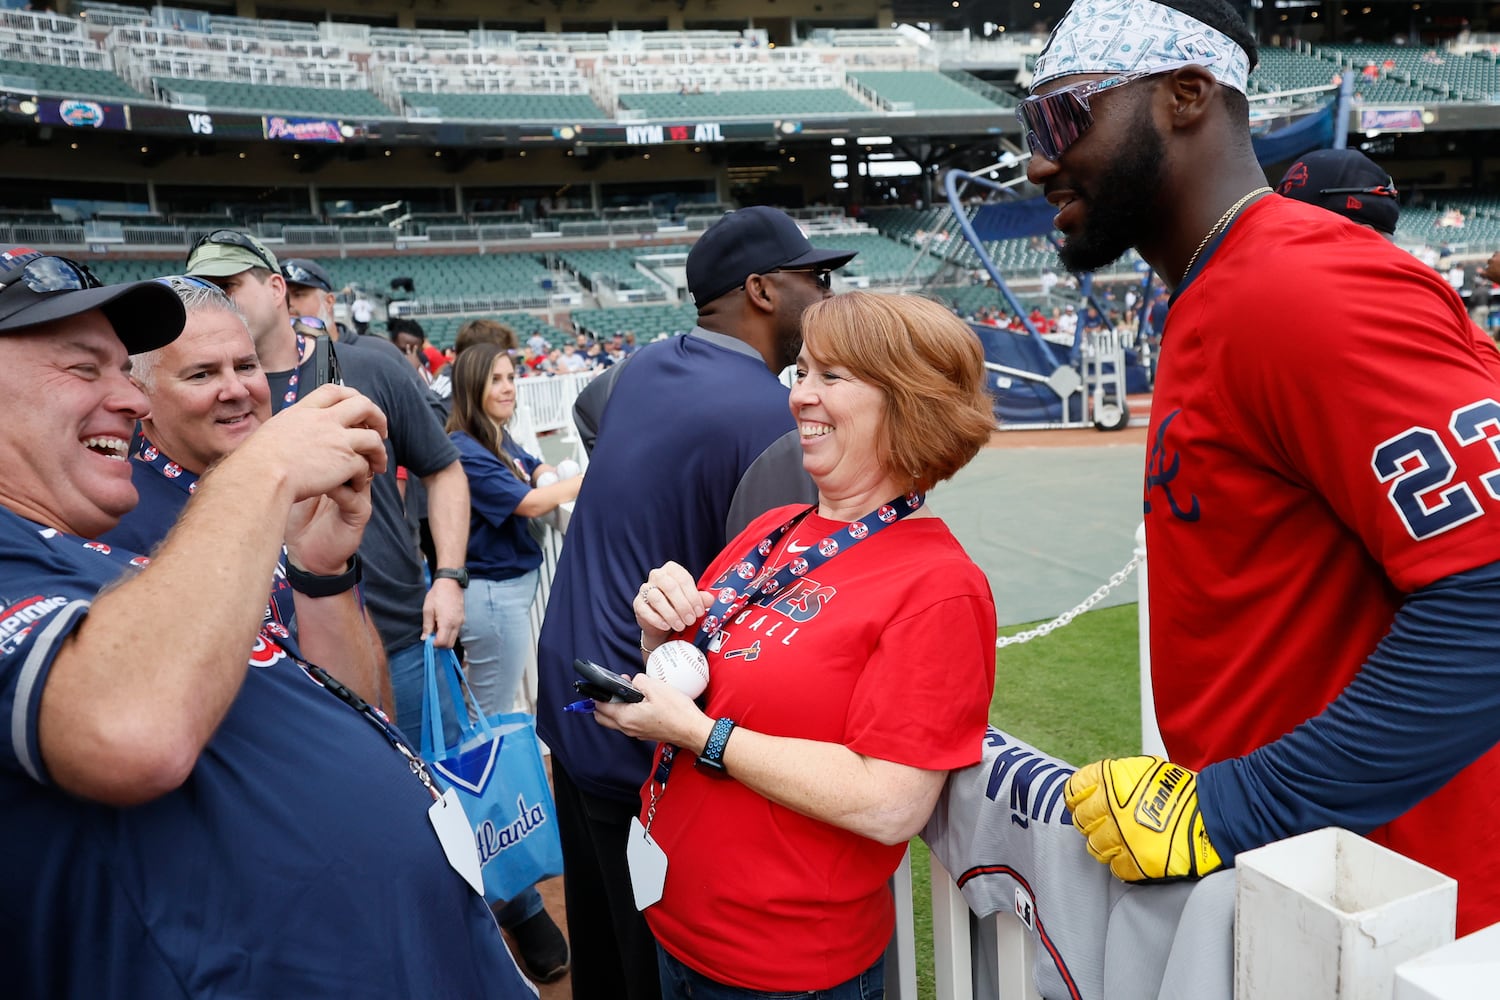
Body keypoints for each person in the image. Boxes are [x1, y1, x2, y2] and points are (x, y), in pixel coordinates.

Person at [1019, 0, 1500, 933]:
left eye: (1063, 116)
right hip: (1309, 900)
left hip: (1399, 921)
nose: (1040, 159)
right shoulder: (1217, 289)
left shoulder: (1299, 284)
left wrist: (1237, 806)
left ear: (1186, 96)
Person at [0, 247, 534, 996]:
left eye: (122, 371)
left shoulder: (86, 543)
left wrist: (318, 575)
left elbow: (359, 716)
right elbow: (126, 730)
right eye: (85, 370)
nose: (128, 401)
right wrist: (261, 472)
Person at [592, 291, 998, 998]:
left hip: (782, 971)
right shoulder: (773, 529)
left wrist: (699, 734)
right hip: (677, 927)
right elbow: (707, 676)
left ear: (907, 401)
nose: (800, 396)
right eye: (801, 373)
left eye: (830, 377)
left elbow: (891, 802)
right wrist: (658, 633)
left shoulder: (939, 586)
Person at [535, 206, 853, 1000]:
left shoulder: (644, 365)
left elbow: (589, 411)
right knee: (655, 965)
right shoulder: (764, 416)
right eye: (815, 276)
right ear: (761, 290)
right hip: (639, 728)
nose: (827, 291)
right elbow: (786, 612)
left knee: (602, 955)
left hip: (571, 692)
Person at [184, 230, 471, 752]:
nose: (218, 303)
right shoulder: (203, 398)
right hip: (272, 658)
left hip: (400, 635)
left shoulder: (372, 366)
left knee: (441, 799)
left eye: (227, 286)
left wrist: (449, 576)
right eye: (204, 291)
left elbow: (443, 469)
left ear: (276, 288)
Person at [101, 275, 386, 705]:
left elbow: (364, 702)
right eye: (202, 374)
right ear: (142, 398)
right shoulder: (111, 522)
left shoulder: (299, 490)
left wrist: (322, 574)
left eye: (246, 366)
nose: (236, 390)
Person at [445, 341, 581, 982]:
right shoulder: (468, 448)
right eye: (497, 378)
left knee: (490, 730)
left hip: (505, 594)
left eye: (511, 375)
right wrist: (597, 472)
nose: (509, 386)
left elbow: (532, 477)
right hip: (492, 599)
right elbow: (530, 501)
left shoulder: (493, 439)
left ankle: (501, 872)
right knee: (487, 739)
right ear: (472, 386)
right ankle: (501, 876)